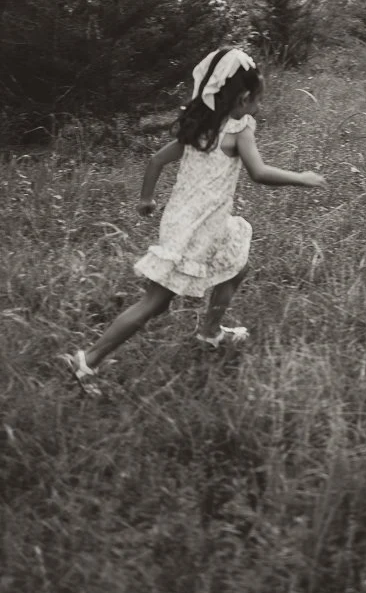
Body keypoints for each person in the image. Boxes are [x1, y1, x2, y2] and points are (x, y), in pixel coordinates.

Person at [62, 47, 326, 391]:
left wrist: (146, 199)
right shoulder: (238, 129)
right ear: (243, 98)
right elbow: (259, 173)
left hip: (186, 221)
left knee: (237, 259)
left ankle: (210, 332)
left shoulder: (198, 126)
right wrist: (302, 178)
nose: (259, 107)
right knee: (154, 303)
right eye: (257, 100)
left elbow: (156, 162)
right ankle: (89, 361)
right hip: (198, 228)